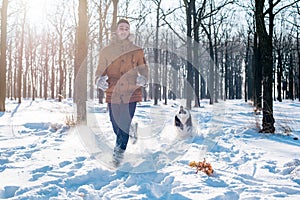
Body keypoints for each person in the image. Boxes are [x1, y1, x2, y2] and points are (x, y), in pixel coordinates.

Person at [95, 19, 148, 166]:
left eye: (126, 28)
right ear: (116, 31)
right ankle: (131, 130)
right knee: (115, 123)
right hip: (113, 91)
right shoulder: (106, 51)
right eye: (121, 28)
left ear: (129, 31)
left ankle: (117, 156)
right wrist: (98, 80)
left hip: (131, 91)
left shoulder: (137, 50)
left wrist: (144, 78)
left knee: (123, 123)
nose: (123, 30)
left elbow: (144, 69)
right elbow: (100, 70)